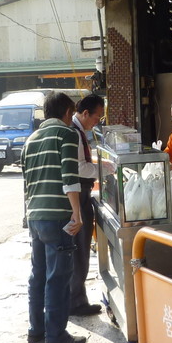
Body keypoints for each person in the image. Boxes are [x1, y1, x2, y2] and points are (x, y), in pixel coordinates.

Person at [22, 92, 87, 343]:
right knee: (58, 278)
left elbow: (27, 184)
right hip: (58, 217)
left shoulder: (31, 139)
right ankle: (56, 336)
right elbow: (70, 177)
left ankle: (36, 330)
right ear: (68, 113)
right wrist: (77, 214)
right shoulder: (67, 134)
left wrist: (27, 217)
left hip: (35, 216)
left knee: (38, 275)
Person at [69, 94, 105, 316]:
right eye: (97, 117)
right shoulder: (74, 133)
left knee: (79, 249)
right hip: (78, 194)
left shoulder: (79, 132)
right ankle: (76, 302)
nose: (97, 122)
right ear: (85, 113)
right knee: (79, 249)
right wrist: (103, 169)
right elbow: (79, 168)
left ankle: (76, 298)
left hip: (81, 192)